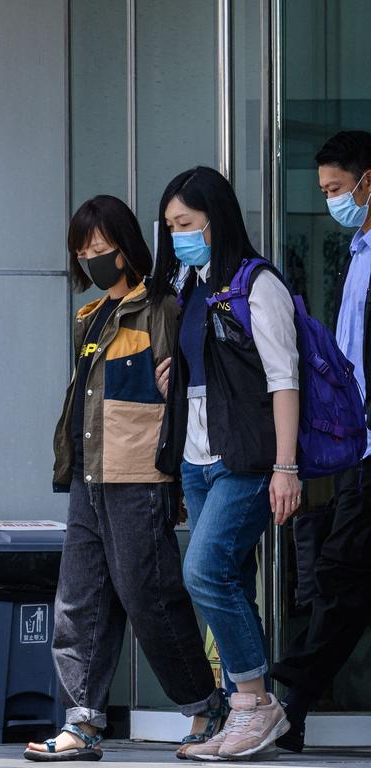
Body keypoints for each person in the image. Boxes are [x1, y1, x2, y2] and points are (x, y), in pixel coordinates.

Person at [25, 196, 224, 763]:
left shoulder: (161, 306)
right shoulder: (89, 318)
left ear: (127, 245)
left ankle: (202, 705)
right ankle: (83, 721)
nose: (93, 259)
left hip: (140, 475)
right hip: (91, 475)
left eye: (102, 248)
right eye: (83, 251)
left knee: (148, 593)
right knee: (79, 599)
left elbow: (181, 387)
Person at [152, 167, 301, 761]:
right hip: (197, 456)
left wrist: (285, 468)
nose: (177, 235)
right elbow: (211, 368)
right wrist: (178, 377)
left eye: (185, 224)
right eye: (170, 227)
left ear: (217, 219)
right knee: (228, 579)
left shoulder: (256, 283)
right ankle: (247, 710)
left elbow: (283, 380)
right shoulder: (194, 283)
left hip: (246, 457)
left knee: (204, 571)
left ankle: (254, 705)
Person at [270, 130, 371, 753]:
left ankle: (292, 703)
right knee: (341, 577)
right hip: (359, 447)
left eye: (337, 189)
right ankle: (295, 704)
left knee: (338, 574)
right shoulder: (358, 252)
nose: (332, 201)